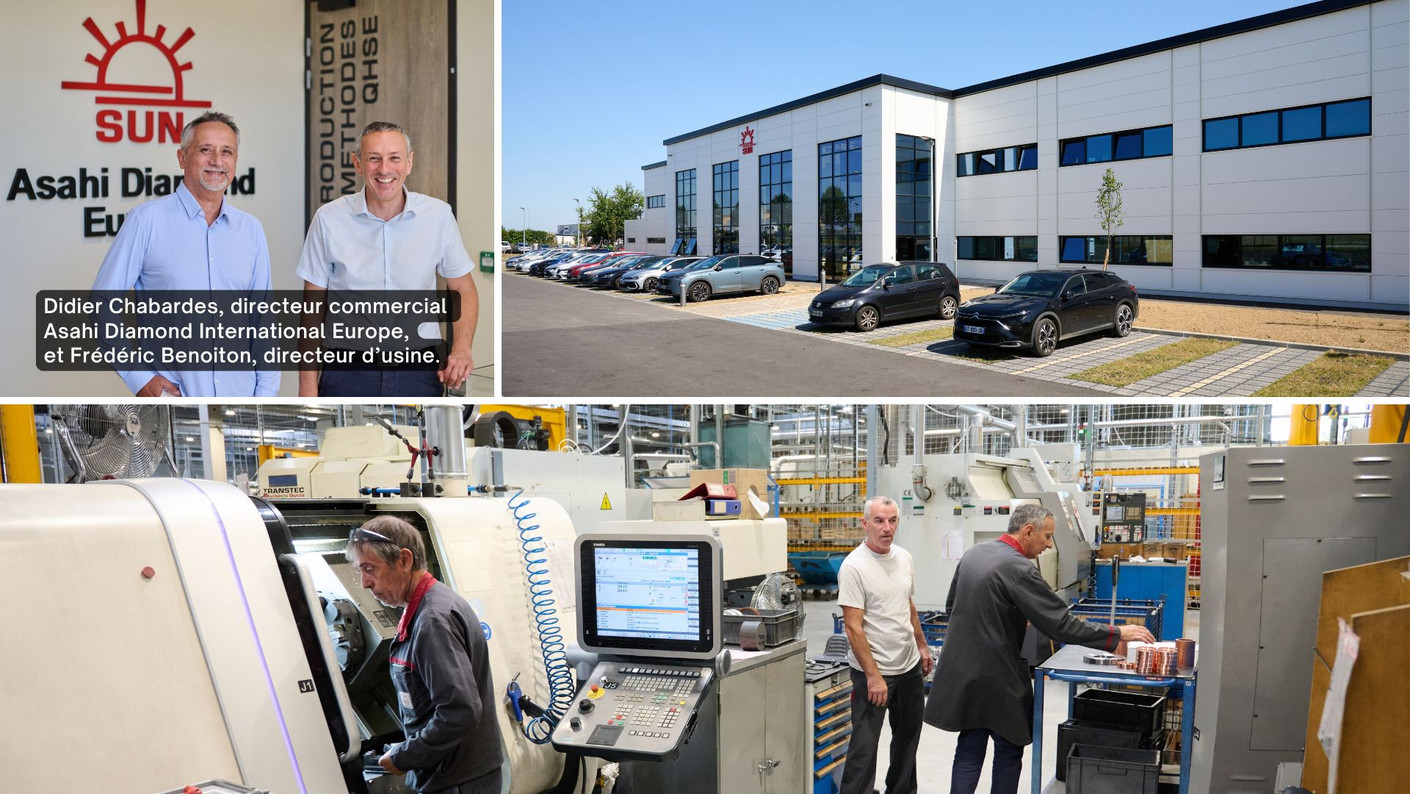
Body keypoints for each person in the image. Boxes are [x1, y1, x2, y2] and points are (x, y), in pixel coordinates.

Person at [923, 503, 1155, 794]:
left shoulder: (975, 553)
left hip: (962, 673)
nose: (1048, 545)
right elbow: (1061, 625)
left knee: (970, 747)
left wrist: (1010, 615)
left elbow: (952, 606)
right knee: (1009, 748)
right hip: (998, 675)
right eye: (1046, 537)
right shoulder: (1020, 568)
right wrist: (1118, 632)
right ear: (1028, 531)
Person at [91, 111, 278, 397]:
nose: (217, 161)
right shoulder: (146, 221)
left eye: (226, 151)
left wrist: (265, 396)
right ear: (181, 158)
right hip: (173, 401)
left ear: (235, 161)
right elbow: (102, 303)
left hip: (241, 397)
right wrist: (137, 377)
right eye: (206, 150)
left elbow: (263, 322)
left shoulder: (251, 230)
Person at [296, 121, 478, 397]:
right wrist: (307, 386)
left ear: (409, 162)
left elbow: (463, 288)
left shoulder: (438, 216)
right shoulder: (328, 219)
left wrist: (462, 348)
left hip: (418, 371)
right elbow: (312, 308)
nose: (384, 169)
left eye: (394, 158)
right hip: (347, 372)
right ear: (357, 163)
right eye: (373, 159)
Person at [346, 515, 504, 794]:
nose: (365, 583)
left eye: (370, 569)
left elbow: (460, 712)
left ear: (404, 560)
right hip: (454, 772)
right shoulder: (427, 606)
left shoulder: (433, 620)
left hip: (457, 780)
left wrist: (404, 756)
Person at [837, 495, 933, 794]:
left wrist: (922, 646)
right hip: (874, 673)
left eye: (892, 520)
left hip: (908, 667)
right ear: (865, 523)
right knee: (864, 749)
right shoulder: (854, 567)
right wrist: (873, 675)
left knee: (907, 741)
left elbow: (908, 605)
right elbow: (853, 628)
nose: (886, 527)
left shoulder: (904, 557)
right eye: (879, 520)